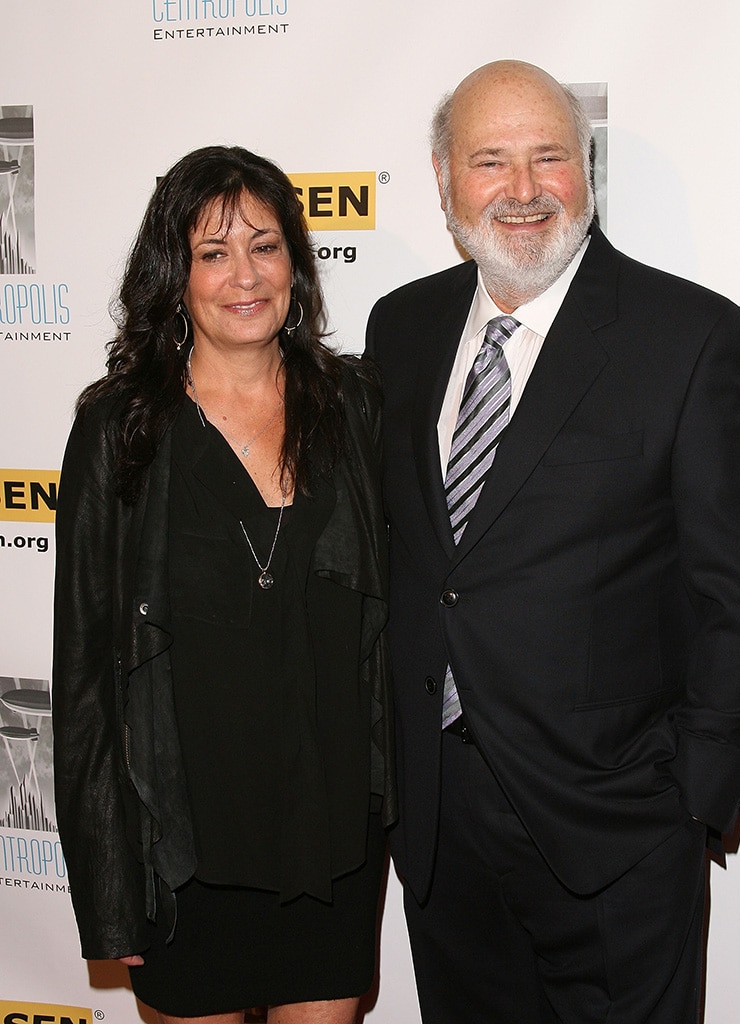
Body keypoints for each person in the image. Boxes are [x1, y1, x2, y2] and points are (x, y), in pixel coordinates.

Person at [365, 60, 740, 1024]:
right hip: (439, 826)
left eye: (549, 157)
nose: (523, 190)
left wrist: (691, 800)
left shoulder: (692, 338)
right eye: (490, 161)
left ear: (586, 168)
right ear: (443, 180)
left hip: (618, 832)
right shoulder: (400, 328)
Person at [52, 145, 395, 1024]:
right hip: (180, 853)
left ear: (296, 265)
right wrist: (108, 884)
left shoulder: (356, 406)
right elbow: (85, 674)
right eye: (213, 253)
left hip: (332, 845)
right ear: (176, 279)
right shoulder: (120, 427)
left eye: (265, 246)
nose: (245, 275)